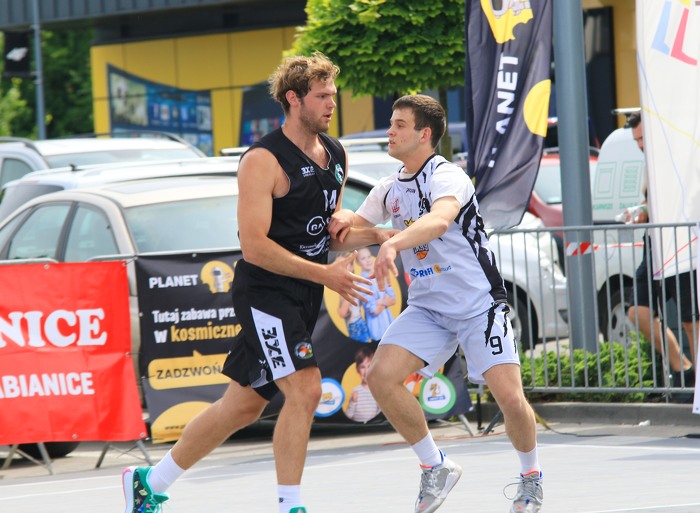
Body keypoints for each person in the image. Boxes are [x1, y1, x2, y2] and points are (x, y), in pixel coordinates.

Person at [121, 52, 393, 513]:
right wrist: (325, 274)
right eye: (322, 96)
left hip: (303, 291)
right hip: (266, 292)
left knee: (242, 406)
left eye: (333, 95)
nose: (332, 104)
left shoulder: (336, 154)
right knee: (305, 389)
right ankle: (291, 505)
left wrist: (384, 234)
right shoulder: (262, 160)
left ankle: (149, 481)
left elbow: (329, 234)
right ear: (293, 99)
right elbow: (253, 247)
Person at [333, 94, 543, 513]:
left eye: (399, 125)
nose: (390, 131)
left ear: (424, 134)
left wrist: (392, 244)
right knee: (380, 378)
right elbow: (350, 232)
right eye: (391, 124)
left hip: (477, 304)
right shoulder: (389, 187)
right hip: (429, 308)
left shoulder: (447, 176)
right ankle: (436, 465)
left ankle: (531, 477)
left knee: (509, 398)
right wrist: (345, 222)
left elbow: (439, 220)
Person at [624, 112, 696, 396]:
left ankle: (696, 387)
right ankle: (683, 369)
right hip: (655, 246)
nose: (640, 144)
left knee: (692, 321)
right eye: (636, 140)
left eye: (643, 138)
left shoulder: (680, 158)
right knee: (637, 311)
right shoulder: (650, 164)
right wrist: (642, 212)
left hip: (682, 245)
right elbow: (651, 203)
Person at [356, 247, 397, 341]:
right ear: (358, 263)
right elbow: (373, 310)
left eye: (369, 257)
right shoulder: (361, 283)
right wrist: (384, 300)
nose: (368, 260)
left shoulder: (381, 275)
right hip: (377, 332)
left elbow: (393, 299)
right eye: (363, 258)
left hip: (391, 327)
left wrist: (379, 302)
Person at [336, 252, 372, 343]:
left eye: (345, 264)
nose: (340, 268)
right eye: (337, 265)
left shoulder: (352, 286)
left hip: (356, 324)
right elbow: (343, 312)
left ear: (352, 267)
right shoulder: (345, 285)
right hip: (355, 323)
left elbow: (342, 313)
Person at [344, 346, 382, 422]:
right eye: (362, 367)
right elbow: (348, 416)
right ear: (357, 369)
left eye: (369, 366)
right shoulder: (356, 391)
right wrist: (353, 402)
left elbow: (380, 415)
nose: (366, 371)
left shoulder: (377, 391)